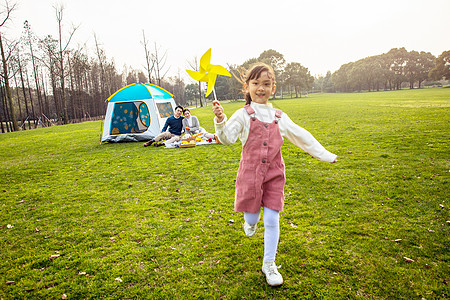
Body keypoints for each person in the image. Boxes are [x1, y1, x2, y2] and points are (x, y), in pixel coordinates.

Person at [212, 63, 337, 287]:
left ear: (274, 88)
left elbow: (302, 136)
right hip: (249, 175)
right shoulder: (242, 114)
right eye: (256, 83)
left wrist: (324, 154)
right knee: (252, 219)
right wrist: (220, 121)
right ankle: (249, 221)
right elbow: (227, 138)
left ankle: (269, 264)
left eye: (266, 84)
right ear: (247, 87)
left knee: (272, 219)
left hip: (274, 176)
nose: (261, 88)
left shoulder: (280, 117)